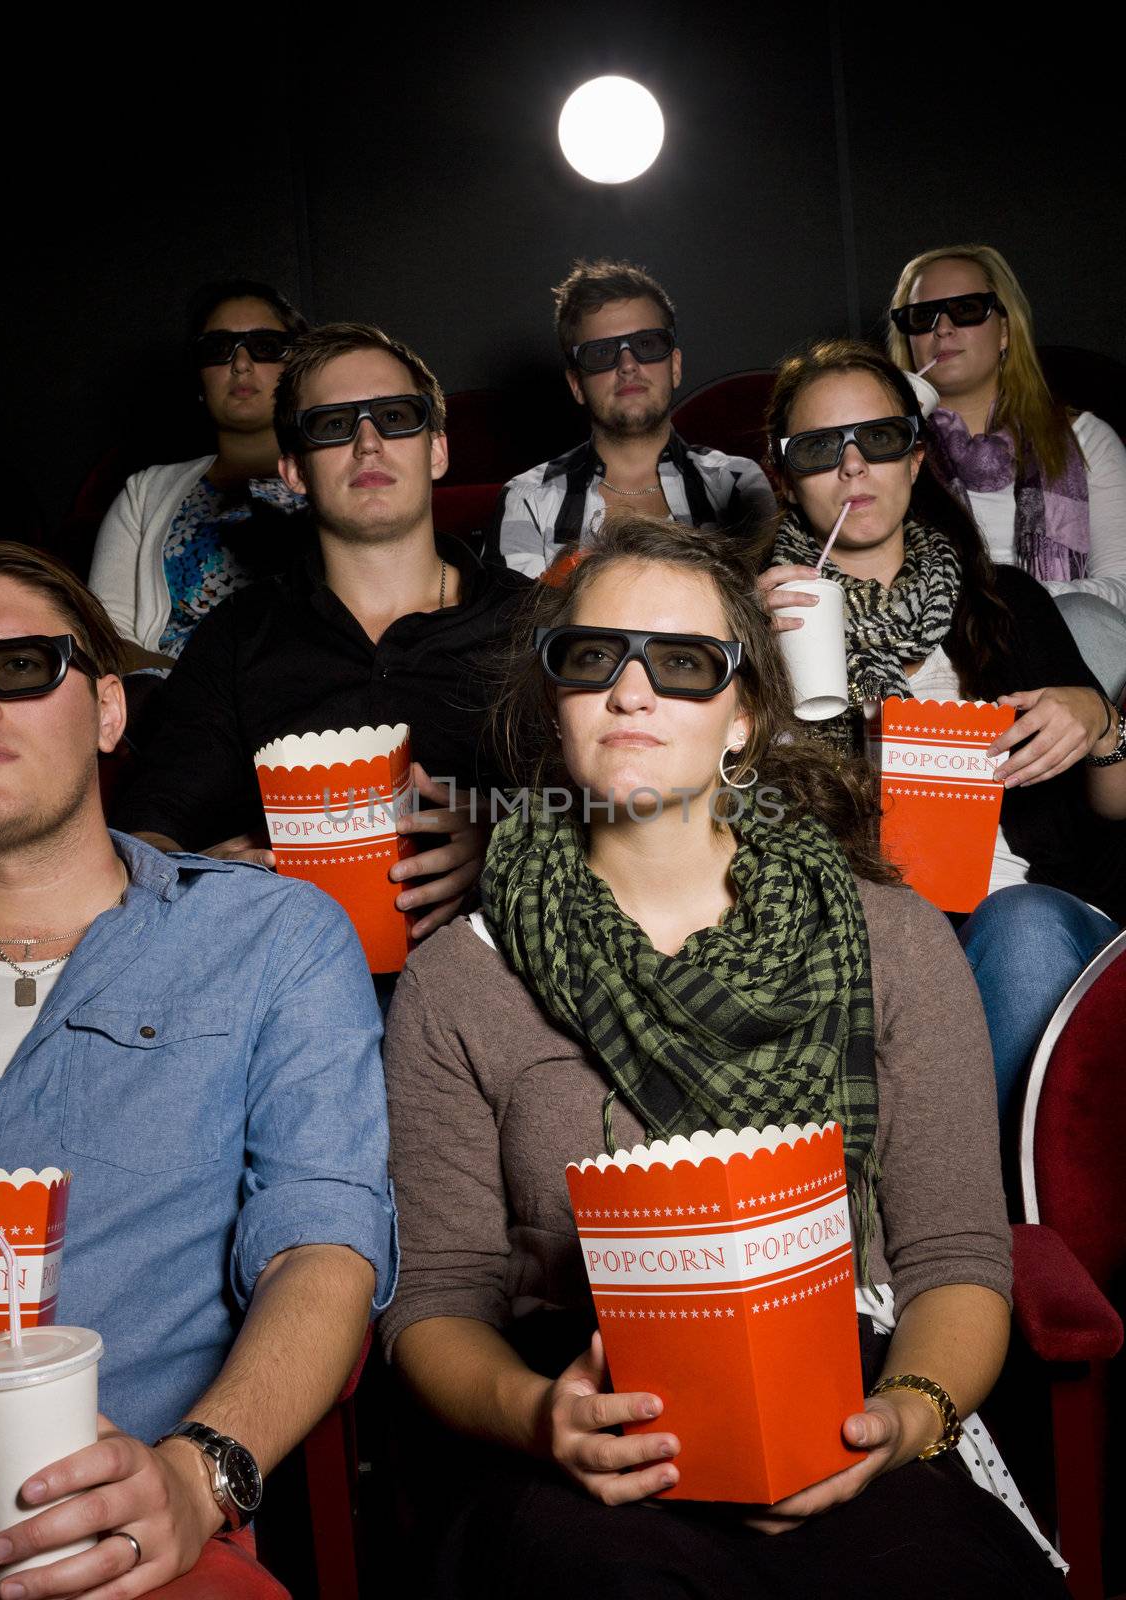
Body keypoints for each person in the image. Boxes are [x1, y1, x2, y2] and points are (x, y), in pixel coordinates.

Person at [379, 516, 1065, 1599]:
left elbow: (955, 1259)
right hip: (585, 1429)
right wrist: (541, 1417)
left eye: (684, 664)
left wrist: (903, 1417)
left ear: (743, 716)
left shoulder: (893, 937)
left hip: (856, 1381)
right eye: (593, 657)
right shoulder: (459, 981)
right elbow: (437, 1300)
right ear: (552, 700)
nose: (633, 692)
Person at [0, 542, 396, 1599]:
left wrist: (199, 1474)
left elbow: (323, 1245)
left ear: (109, 711)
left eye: (21, 666)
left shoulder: (269, 938)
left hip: (133, 1529)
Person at [756, 340, 1125, 1117]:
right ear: (782, 477)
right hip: (846, 934)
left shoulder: (1009, 605)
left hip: (1020, 914)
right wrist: (732, 658)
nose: (854, 467)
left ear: (916, 460)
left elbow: (1115, 804)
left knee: (1019, 925)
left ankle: (983, 1214)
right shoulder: (739, 624)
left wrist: (1100, 723)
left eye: (880, 439)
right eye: (822, 448)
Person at [113, 322, 531, 944]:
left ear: (437, 449)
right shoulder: (236, 637)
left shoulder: (536, 623)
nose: (368, 444)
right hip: (287, 971)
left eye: (395, 416)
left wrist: (507, 838)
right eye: (333, 425)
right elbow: (147, 831)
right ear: (294, 471)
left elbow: (633, 810)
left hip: (504, 963)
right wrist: (198, 880)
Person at [887, 244, 1126, 699]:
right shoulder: (887, 454)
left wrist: (1008, 607)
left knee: (1085, 617)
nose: (943, 328)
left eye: (967, 309)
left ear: (1004, 330)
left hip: (1073, 645)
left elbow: (1122, 587)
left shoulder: (1087, 439)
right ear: (909, 339)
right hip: (944, 652)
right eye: (923, 316)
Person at [485, 261, 774, 577]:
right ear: (576, 384)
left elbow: (760, 617)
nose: (627, 364)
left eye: (646, 344)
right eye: (600, 353)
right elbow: (516, 625)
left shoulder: (737, 484)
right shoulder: (528, 499)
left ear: (674, 366)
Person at [88, 279, 309, 669]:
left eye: (266, 346)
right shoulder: (144, 493)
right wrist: (197, 697)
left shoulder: (342, 478)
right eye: (218, 350)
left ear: (299, 366)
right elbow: (106, 637)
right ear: (199, 379)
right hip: (171, 706)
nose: (241, 364)